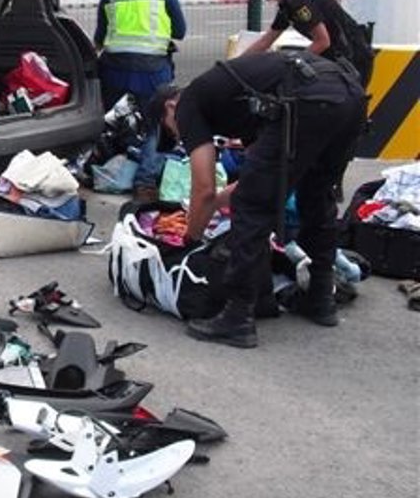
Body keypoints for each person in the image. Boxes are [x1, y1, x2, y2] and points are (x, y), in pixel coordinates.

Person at [156, 51, 365, 349]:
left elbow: (203, 187)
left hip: (308, 99)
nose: (180, 138)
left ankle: (237, 317)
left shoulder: (187, 105)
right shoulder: (237, 100)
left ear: (170, 107)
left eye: (170, 131)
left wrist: (191, 239)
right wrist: (215, 204)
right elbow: (253, 182)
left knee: (252, 209)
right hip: (349, 97)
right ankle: (321, 297)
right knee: (316, 195)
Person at [242, 0, 374, 86]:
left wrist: (296, 64)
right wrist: (237, 64)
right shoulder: (287, 6)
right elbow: (265, 42)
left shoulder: (298, 4)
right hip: (343, 60)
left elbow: (322, 42)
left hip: (354, 61)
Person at [93, 0, 187, 112]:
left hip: (114, 71)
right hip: (153, 72)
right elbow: (180, 32)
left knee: (116, 119)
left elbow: (99, 39)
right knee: (152, 119)